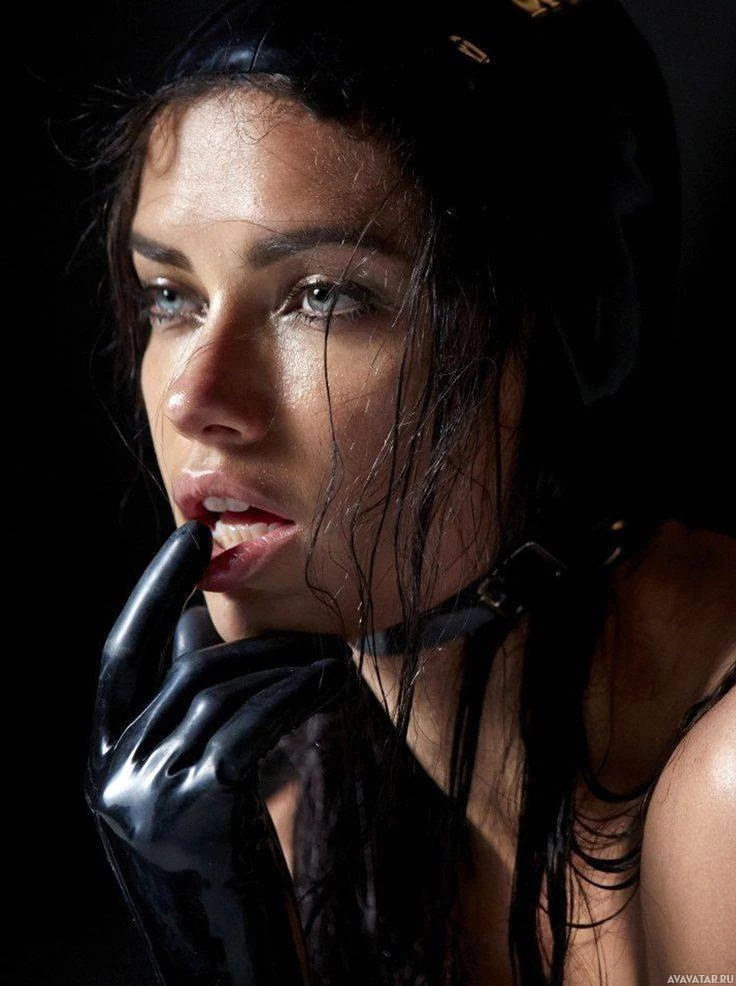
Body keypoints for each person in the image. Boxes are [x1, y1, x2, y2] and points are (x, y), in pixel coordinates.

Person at [85, 0, 736, 983]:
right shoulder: (306, 810)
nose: (194, 398)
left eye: (324, 297)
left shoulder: (722, 787)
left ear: (562, 330)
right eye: (171, 297)